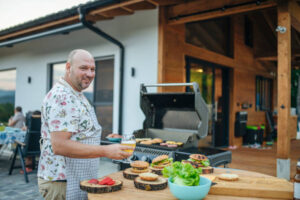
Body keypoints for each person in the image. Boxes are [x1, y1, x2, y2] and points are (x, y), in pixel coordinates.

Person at [37, 49, 133, 200]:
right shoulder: (63, 96)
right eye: (83, 68)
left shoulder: (76, 94)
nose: (89, 74)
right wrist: (106, 151)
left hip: (77, 178)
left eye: (92, 69)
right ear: (68, 68)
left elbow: (80, 134)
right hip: (64, 182)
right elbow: (59, 145)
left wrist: (109, 141)